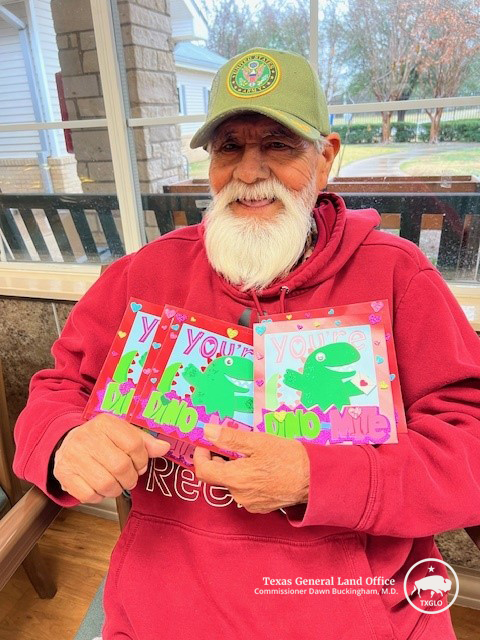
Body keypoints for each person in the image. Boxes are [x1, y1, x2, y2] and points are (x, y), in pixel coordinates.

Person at [13, 48, 480, 639]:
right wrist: (64, 442)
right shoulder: (145, 274)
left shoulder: (398, 276)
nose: (250, 172)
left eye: (279, 145)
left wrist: (318, 477)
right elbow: (56, 390)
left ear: (326, 157)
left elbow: (469, 441)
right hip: (166, 613)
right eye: (229, 147)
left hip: (350, 613)